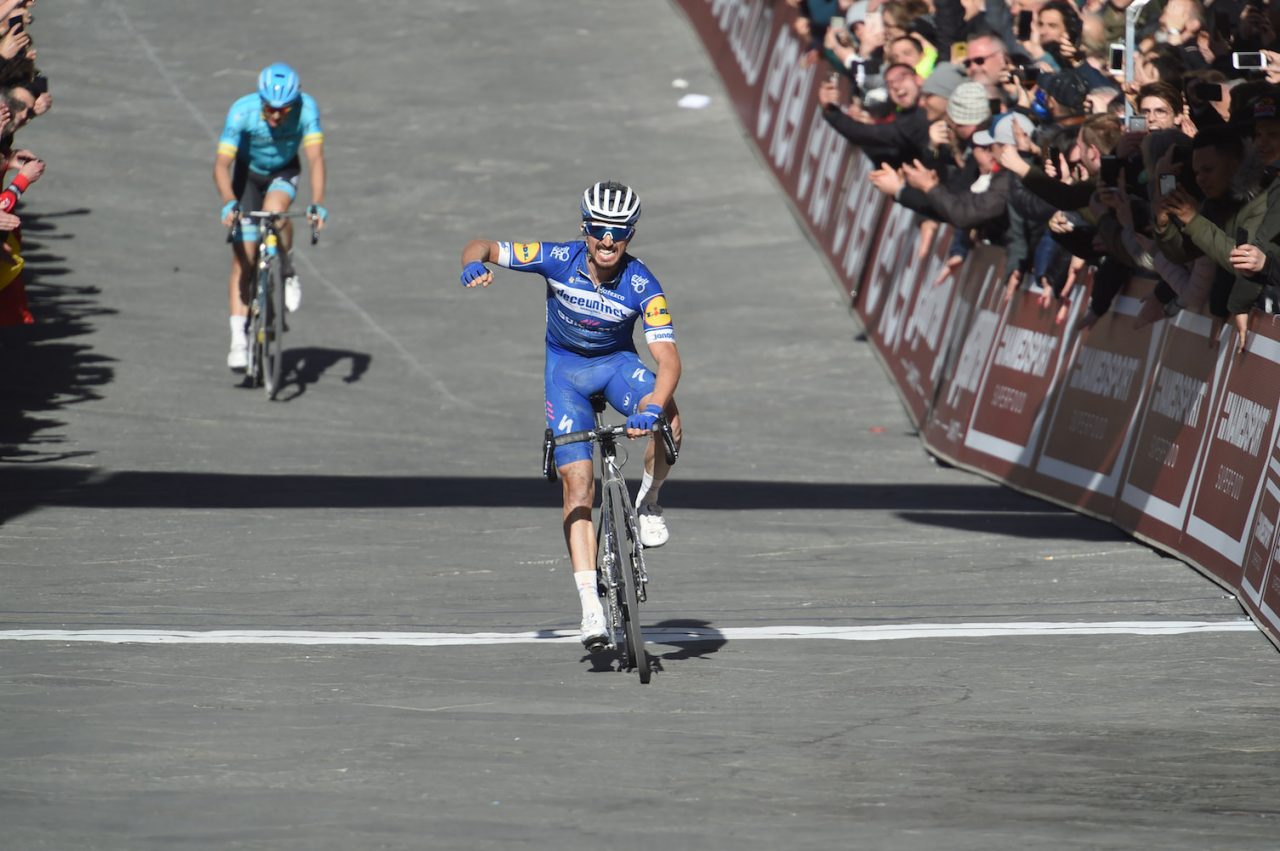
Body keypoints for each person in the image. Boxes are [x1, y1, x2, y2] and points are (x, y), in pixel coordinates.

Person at [458, 181, 684, 651]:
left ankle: (650, 499)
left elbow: (668, 360)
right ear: (585, 229)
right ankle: (590, 608)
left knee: (672, 421)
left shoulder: (644, 283)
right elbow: (482, 244)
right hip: (566, 376)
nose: (607, 241)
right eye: (599, 230)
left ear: (630, 235)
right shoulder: (557, 257)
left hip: (616, 367)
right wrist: (471, 263)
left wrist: (654, 407)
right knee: (578, 484)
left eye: (618, 233)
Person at [213, 62, 327, 370]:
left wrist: (317, 202)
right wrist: (228, 202)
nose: (276, 116)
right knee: (244, 260)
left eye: (284, 110)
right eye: (270, 109)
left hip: (283, 172)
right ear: (260, 100)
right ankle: (238, 338)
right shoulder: (242, 112)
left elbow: (315, 159)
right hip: (247, 177)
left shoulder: (307, 110)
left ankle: (287, 268)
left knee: (278, 212)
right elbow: (222, 164)